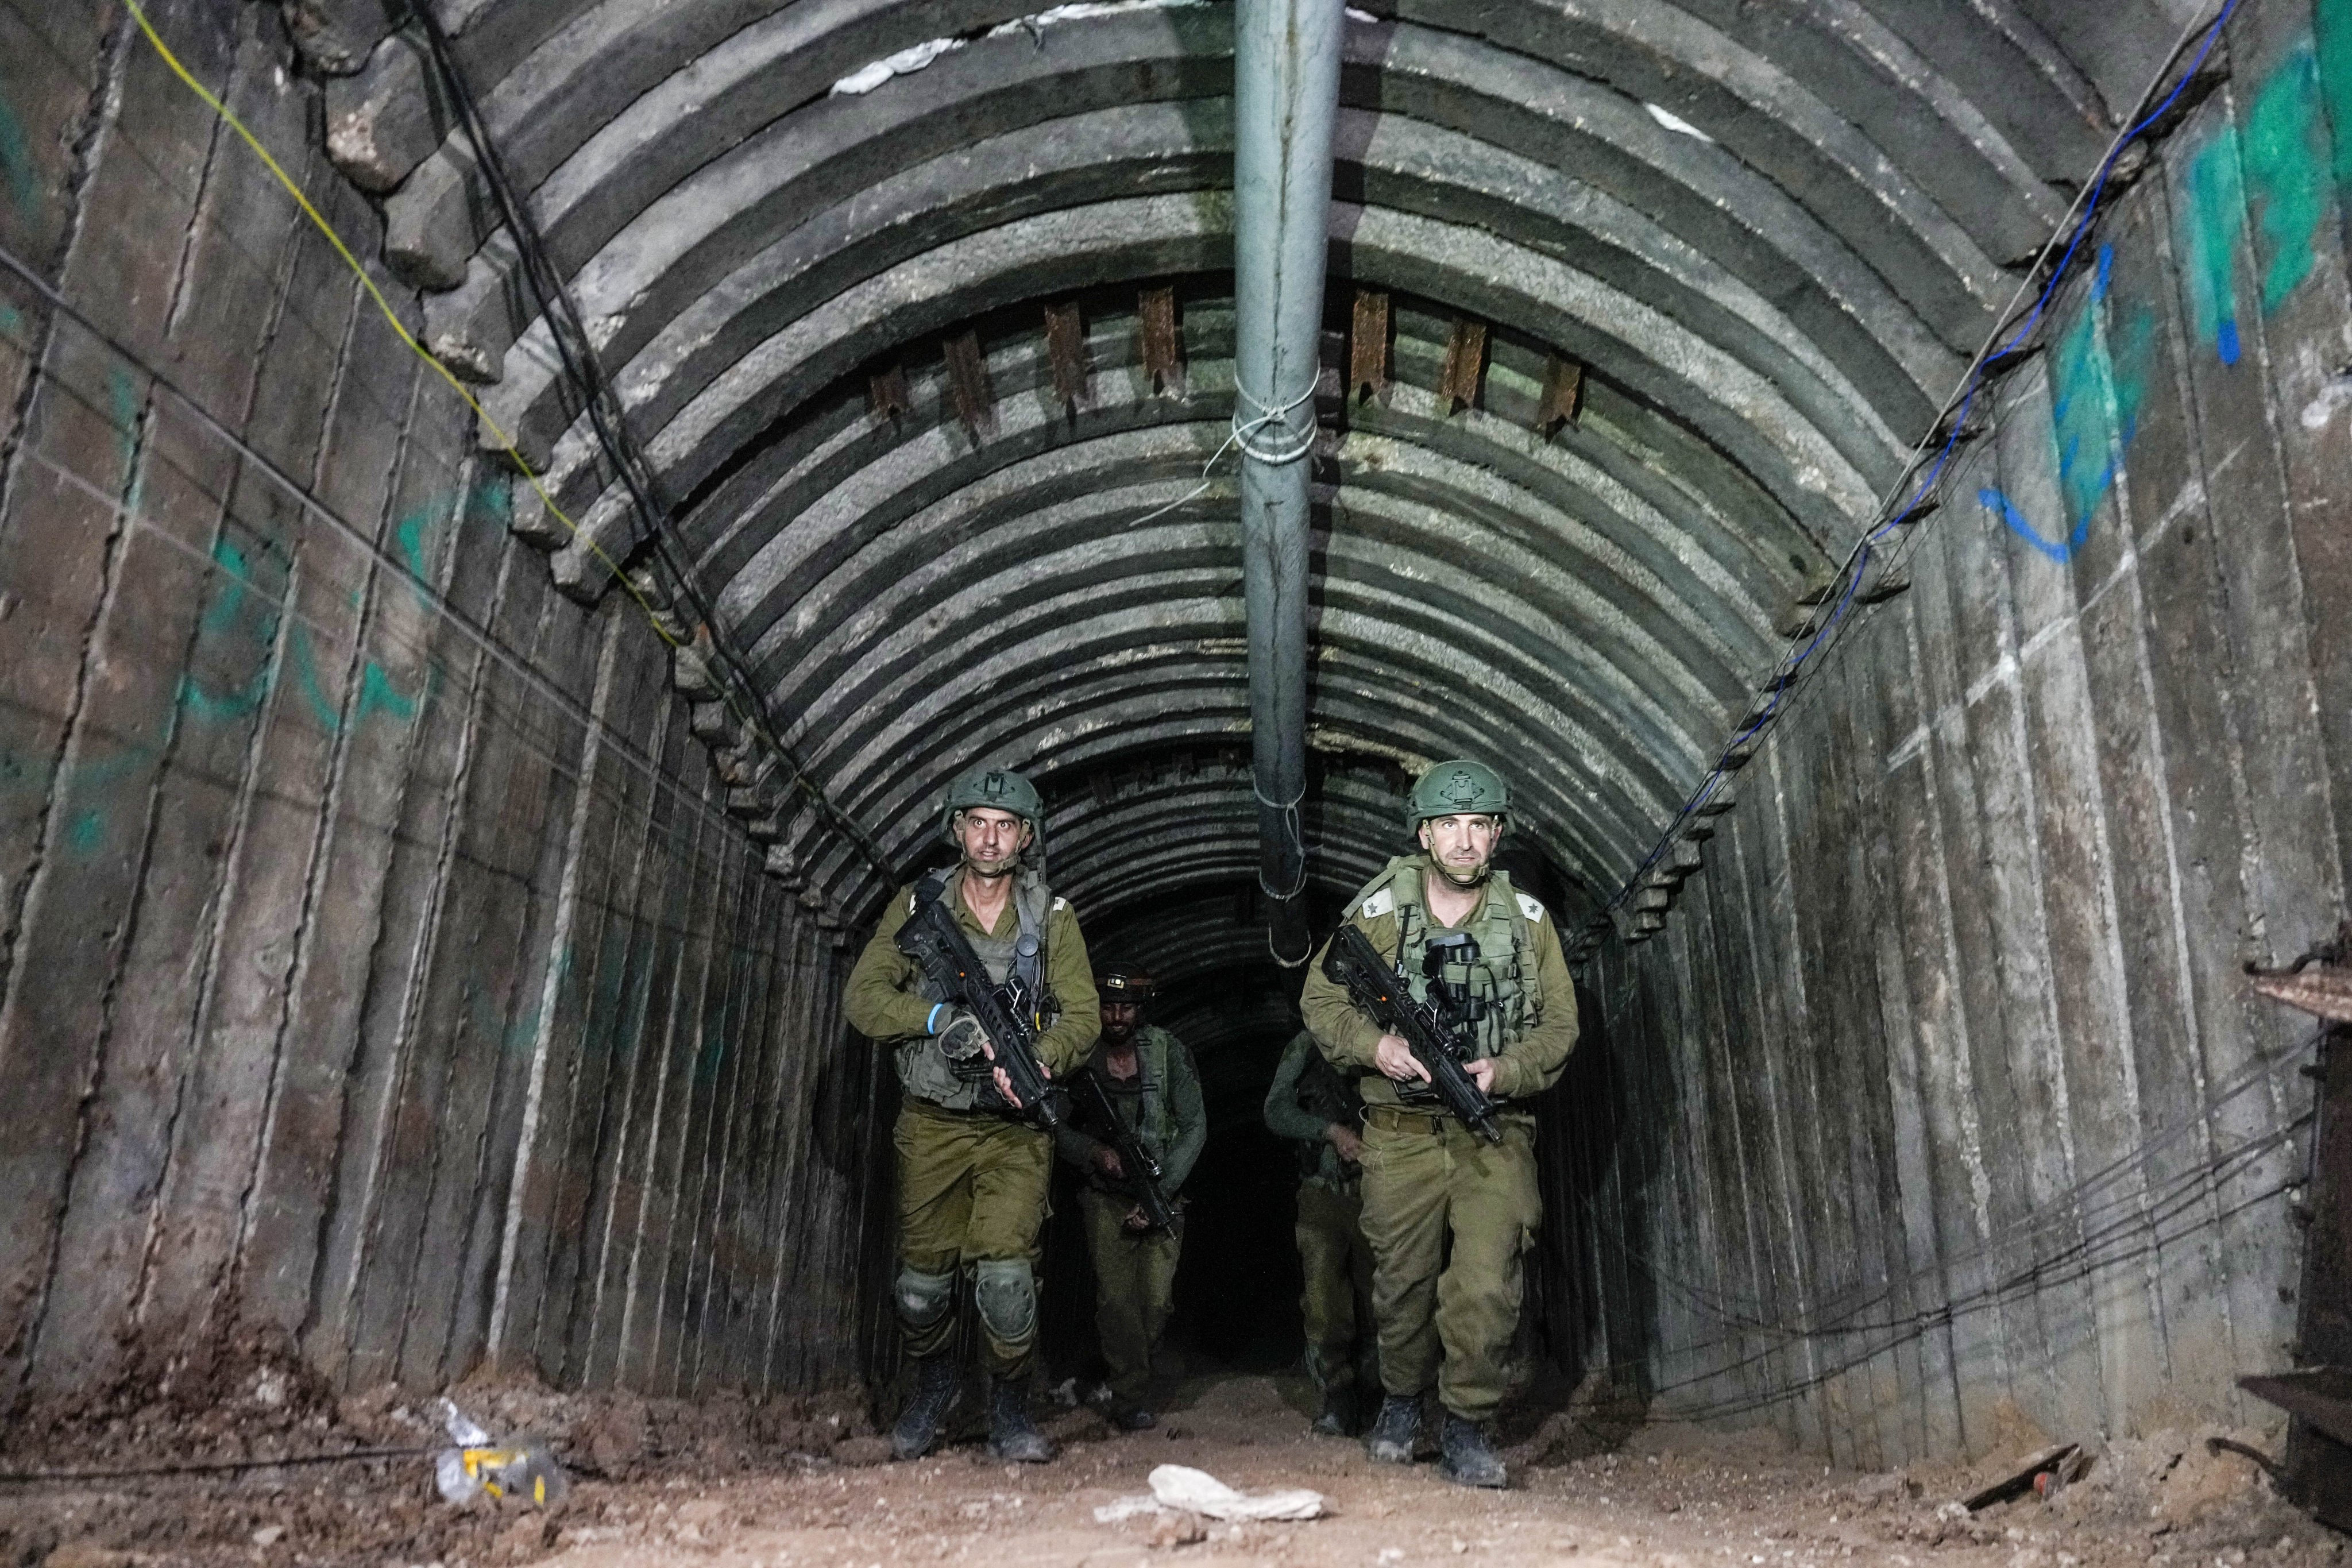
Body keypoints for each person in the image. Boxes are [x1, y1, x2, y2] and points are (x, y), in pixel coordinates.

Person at [1298, 760, 1578, 1489]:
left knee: (1487, 1283)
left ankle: (1465, 1421)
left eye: (1477, 826)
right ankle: (1400, 1399)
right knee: (1401, 1283)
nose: (1462, 841)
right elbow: (1322, 1002)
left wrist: (1505, 1071)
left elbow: (1559, 1026)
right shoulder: (1381, 912)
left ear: (1495, 837)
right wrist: (1377, 1047)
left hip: (1495, 1128)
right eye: (1448, 826)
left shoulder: (1527, 922)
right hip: (1399, 1132)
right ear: (1424, 833)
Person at [843, 766, 1098, 1464]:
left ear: (1026, 837)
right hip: (933, 1120)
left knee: (1007, 1280)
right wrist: (933, 1018)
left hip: (1014, 1130)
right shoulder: (917, 905)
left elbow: (1083, 1014)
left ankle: (1009, 1408)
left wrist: (1041, 1060)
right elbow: (865, 998)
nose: (990, 839)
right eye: (977, 823)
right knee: (921, 1286)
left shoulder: (1052, 918)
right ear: (957, 830)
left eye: (1005, 826)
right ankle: (934, 1391)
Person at [1053, 964, 1206, 1431]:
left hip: (1163, 1195)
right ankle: (1128, 1397)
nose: (1116, 1016)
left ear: (1141, 1011)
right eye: (1108, 1006)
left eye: (1126, 1007)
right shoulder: (1078, 1053)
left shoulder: (1166, 1053)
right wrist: (1093, 1152)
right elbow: (1052, 1124)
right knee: (1116, 1302)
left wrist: (1159, 1192)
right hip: (1104, 1197)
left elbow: (1194, 1127)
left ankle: (1130, 1372)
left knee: (1155, 1303)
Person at [1262, 1025, 1377, 1437]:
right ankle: (1337, 1393)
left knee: (1384, 1299)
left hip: (1382, 1192)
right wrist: (1328, 1131)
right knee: (1323, 1301)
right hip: (1321, 1191)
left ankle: (1380, 1390)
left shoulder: (1395, 1033)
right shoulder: (1307, 1043)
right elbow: (1275, 1110)